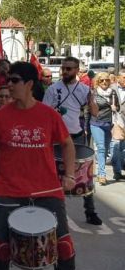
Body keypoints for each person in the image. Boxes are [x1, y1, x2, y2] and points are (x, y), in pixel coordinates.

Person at [0, 61, 97, 270]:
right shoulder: (0, 116)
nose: (9, 83)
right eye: (9, 79)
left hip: (46, 192)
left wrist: (70, 175)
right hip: (8, 191)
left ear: (30, 84)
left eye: (15, 80)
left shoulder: (48, 115)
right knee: (1, 245)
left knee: (63, 245)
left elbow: (67, 144)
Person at [41, 57, 102, 225]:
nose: (65, 71)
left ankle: (90, 212)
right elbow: (44, 114)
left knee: (84, 173)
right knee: (54, 174)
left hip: (77, 136)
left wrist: (91, 99)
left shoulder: (84, 89)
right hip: (57, 138)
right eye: (64, 68)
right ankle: (54, 212)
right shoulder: (53, 89)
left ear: (76, 70)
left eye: (69, 69)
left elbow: (95, 113)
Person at [89, 72, 119, 185]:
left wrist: (115, 107)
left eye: (106, 80)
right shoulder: (94, 93)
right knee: (101, 148)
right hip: (96, 123)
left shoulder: (113, 93)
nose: (105, 82)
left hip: (109, 124)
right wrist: (86, 127)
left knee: (105, 150)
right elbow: (89, 110)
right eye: (102, 80)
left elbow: (118, 108)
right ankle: (102, 175)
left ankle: (99, 170)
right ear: (98, 81)